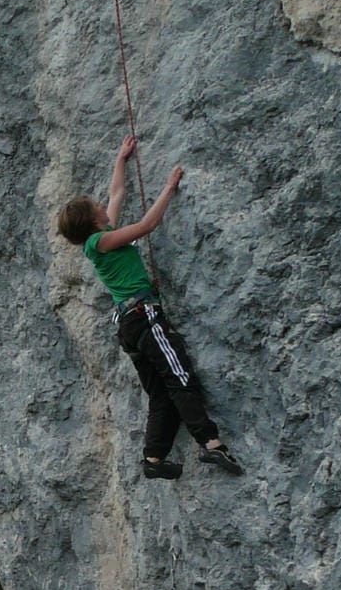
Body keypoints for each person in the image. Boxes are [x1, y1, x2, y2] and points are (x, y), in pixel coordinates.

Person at [57, 134, 242, 479]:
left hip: (130, 324)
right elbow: (146, 226)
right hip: (144, 317)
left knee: (161, 394)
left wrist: (120, 159)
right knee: (179, 376)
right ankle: (211, 444)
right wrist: (169, 188)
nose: (102, 204)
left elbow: (117, 194)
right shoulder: (102, 240)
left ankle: (154, 459)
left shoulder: (96, 240)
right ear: (93, 220)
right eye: (96, 206)